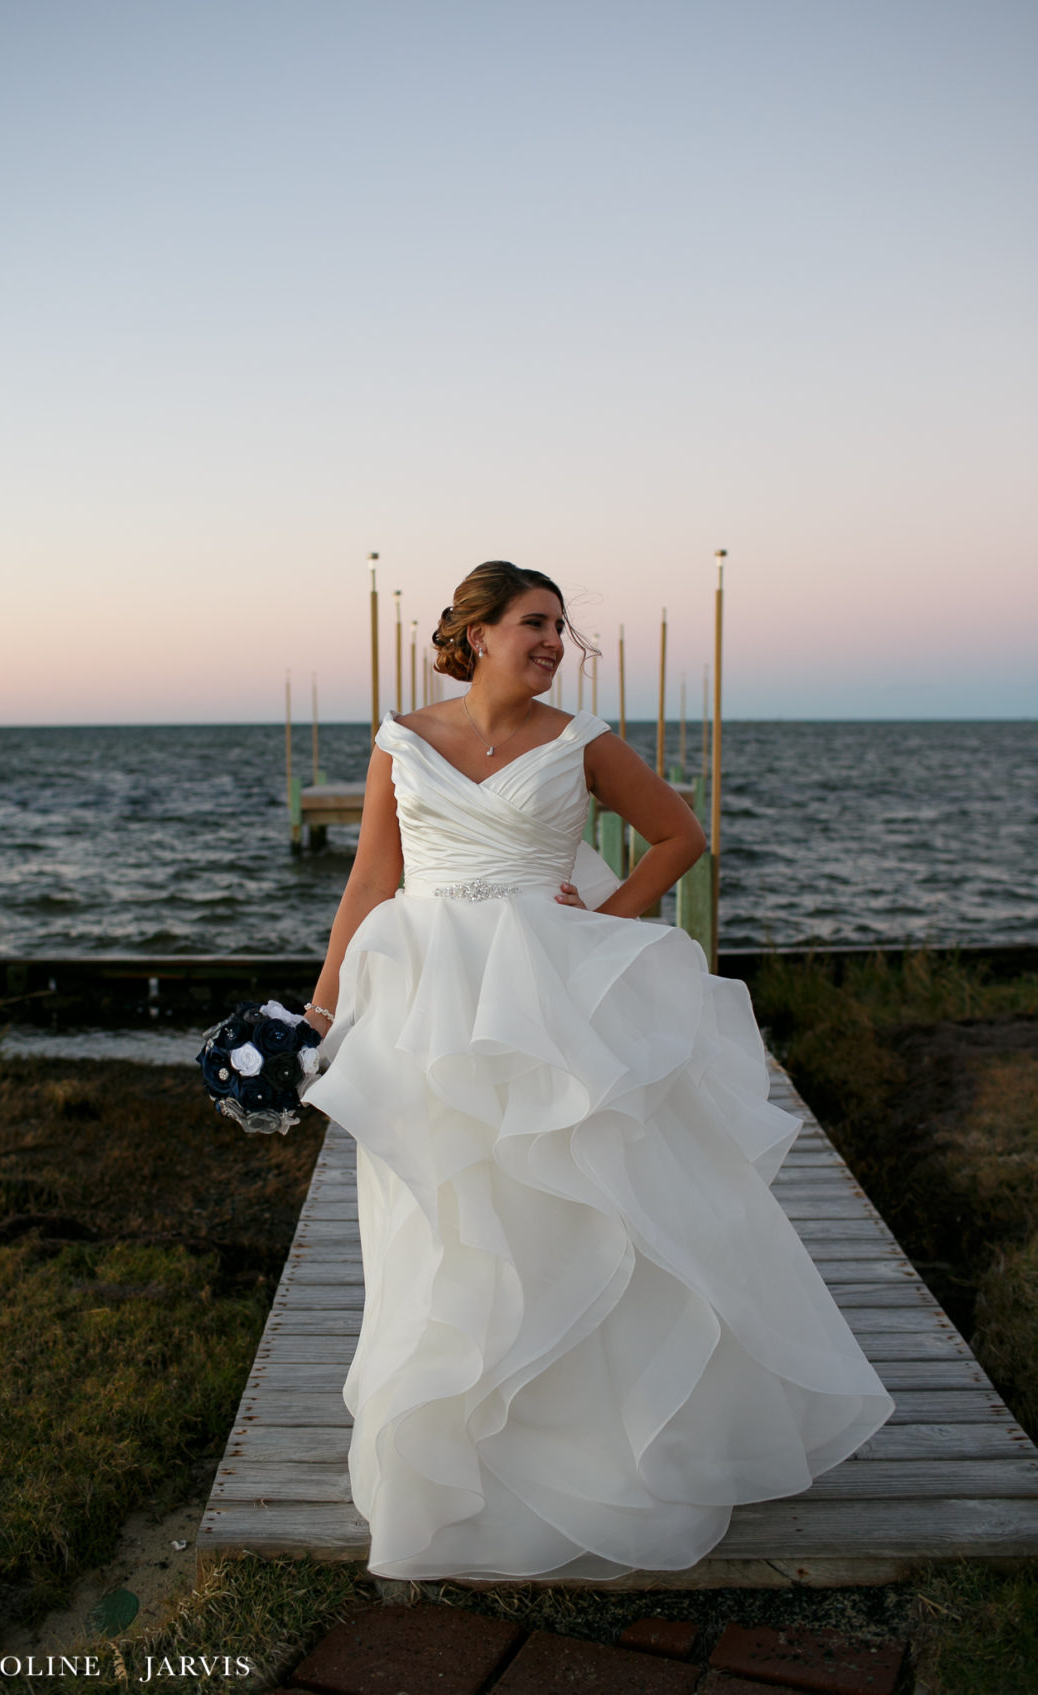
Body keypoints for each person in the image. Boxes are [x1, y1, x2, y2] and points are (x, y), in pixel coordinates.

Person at [302, 560, 892, 1581]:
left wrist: (604, 924)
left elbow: (678, 837)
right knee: (445, 1213)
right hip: (430, 1001)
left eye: (559, 629)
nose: (551, 642)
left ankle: (590, 1441)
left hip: (546, 994)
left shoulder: (580, 740)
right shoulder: (400, 738)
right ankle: (464, 1447)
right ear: (475, 631)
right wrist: (317, 1008)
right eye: (533, 623)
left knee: (572, 1205)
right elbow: (371, 878)